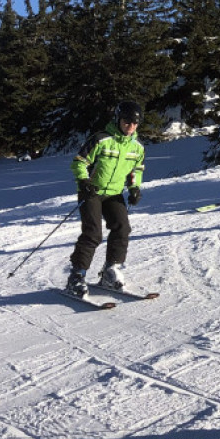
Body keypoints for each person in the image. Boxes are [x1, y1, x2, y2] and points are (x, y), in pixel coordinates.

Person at [66, 101, 145, 296]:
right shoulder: (101, 139)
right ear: (118, 120)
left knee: (122, 227)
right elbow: (79, 162)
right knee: (93, 233)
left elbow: (136, 169)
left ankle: (110, 270)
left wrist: (134, 188)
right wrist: (84, 181)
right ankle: (76, 276)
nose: (131, 127)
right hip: (91, 191)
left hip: (114, 193)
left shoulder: (137, 148)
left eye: (135, 123)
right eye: (127, 122)